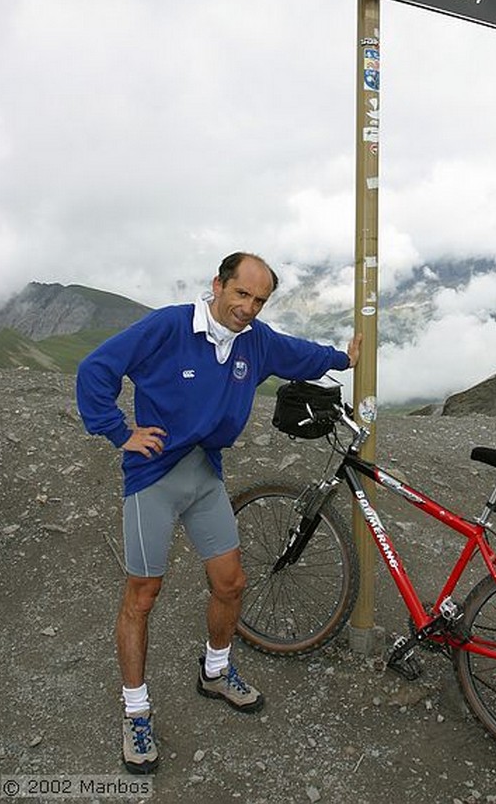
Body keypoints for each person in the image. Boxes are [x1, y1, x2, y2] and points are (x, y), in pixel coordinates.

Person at [76, 252, 362, 775]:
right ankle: (135, 711)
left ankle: (214, 670)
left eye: (259, 300)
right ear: (218, 285)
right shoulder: (170, 326)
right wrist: (120, 432)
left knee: (230, 583)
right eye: (241, 295)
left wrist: (344, 358)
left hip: (205, 475)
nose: (248, 308)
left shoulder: (255, 340)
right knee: (143, 596)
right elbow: (96, 368)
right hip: (154, 477)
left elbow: (298, 354)